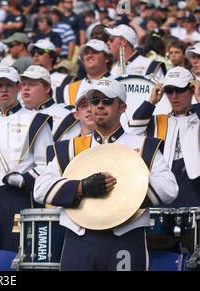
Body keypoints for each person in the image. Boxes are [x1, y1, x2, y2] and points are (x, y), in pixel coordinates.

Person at [34, 78, 178, 271]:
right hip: (80, 239)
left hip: (125, 238)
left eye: (107, 101)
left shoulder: (145, 146)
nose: (100, 106)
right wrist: (81, 187)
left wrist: (124, 188)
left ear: (123, 107)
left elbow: (169, 189)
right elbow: (41, 189)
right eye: (94, 101)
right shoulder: (70, 148)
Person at [0, 66, 53, 251]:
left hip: (17, 196)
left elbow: (47, 164)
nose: (4, 90)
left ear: (18, 88)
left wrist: (24, 180)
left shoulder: (36, 120)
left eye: (9, 85)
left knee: (15, 252)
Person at [128, 67, 200, 207]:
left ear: (192, 89)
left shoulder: (198, 116)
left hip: (195, 188)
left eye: (179, 90)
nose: (174, 96)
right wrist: (151, 102)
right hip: (164, 189)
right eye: (169, 90)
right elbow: (131, 134)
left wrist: (199, 101)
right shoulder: (156, 120)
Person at [20, 65, 81, 142]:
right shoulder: (15, 114)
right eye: (23, 84)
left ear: (47, 88)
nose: (26, 88)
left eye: (32, 84)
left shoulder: (68, 115)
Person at [60, 39, 112, 107]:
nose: (89, 55)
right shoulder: (69, 89)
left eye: (95, 52)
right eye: (86, 53)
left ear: (107, 58)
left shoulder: (119, 83)